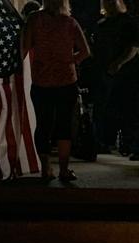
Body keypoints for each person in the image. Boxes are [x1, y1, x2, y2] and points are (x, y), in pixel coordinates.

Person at [24, 0, 90, 180]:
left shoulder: (34, 20)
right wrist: (69, 60)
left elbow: (24, 48)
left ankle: (46, 168)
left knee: (43, 124)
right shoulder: (70, 23)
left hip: (41, 80)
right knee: (64, 126)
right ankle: (63, 169)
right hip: (66, 81)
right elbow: (85, 51)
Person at [90, 0, 139, 153]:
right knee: (105, 109)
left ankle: (128, 143)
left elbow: (135, 46)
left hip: (126, 73)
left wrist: (119, 63)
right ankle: (105, 141)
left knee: (126, 108)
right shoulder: (102, 24)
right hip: (104, 72)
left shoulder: (128, 22)